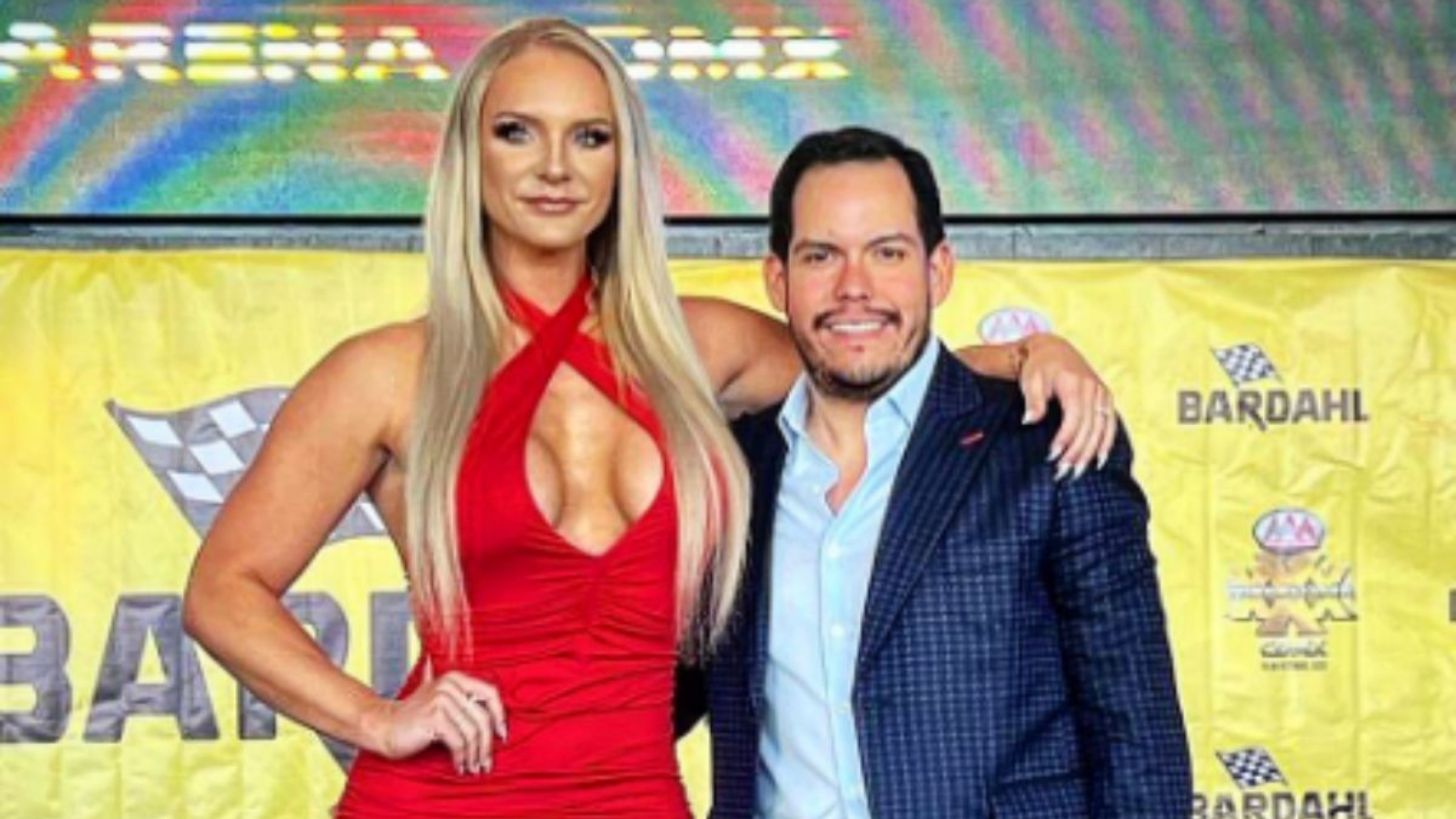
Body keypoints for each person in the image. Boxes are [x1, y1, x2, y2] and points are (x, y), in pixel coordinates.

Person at [181, 19, 1117, 818]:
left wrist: (1030, 354)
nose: (555, 167)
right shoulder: (387, 373)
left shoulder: (696, 347)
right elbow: (223, 590)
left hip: (635, 795)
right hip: (441, 796)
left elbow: (867, 358)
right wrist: (377, 719)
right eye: (517, 132)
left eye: (590, 137)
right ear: (471, 154)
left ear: (624, 162)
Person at [682, 127, 1190, 818]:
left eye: (887, 252)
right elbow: (650, 690)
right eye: (821, 255)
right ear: (779, 279)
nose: (854, 287)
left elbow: (1139, 739)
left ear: (939, 270)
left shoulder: (1045, 443)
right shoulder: (732, 472)